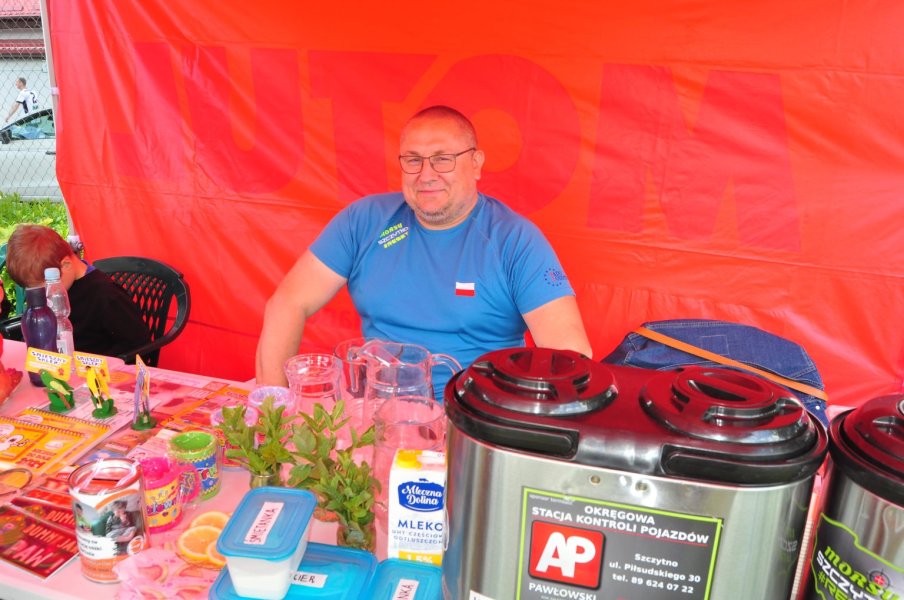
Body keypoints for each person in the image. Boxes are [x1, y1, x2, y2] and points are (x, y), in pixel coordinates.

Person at [256, 105, 592, 397]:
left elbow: (571, 357)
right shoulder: (364, 220)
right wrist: (275, 406)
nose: (426, 175)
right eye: (413, 160)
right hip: (375, 411)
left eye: (443, 160)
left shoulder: (515, 240)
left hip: (473, 421)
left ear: (476, 163)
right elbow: (287, 303)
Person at [6, 224, 152, 360]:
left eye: (44, 288)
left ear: (66, 265)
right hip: (61, 365)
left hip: (98, 370)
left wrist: (94, 364)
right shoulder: (61, 286)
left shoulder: (106, 294)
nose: (43, 296)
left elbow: (138, 343)